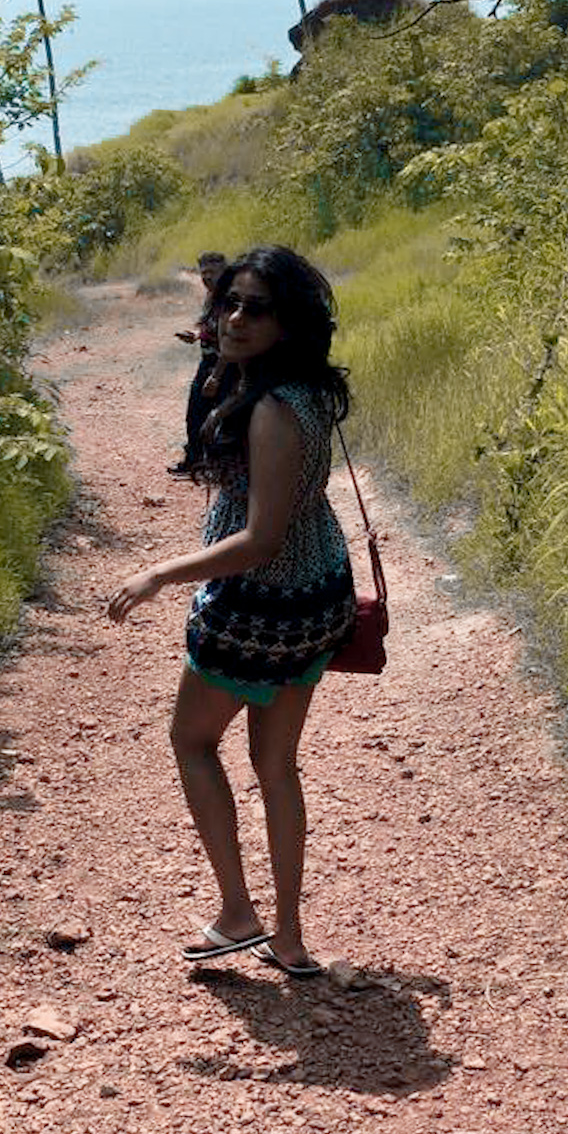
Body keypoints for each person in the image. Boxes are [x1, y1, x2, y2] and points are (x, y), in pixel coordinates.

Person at [109, 245, 357, 978]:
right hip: (317, 594)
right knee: (276, 766)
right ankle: (288, 937)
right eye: (231, 303)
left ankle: (237, 911)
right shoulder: (306, 390)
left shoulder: (274, 411)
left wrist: (159, 572)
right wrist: (217, 350)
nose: (238, 317)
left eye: (258, 307)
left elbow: (258, 539)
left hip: (260, 608)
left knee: (191, 742)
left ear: (291, 321)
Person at [169, 251, 228, 476]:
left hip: (224, 364)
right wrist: (194, 335)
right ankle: (195, 460)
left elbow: (230, 342)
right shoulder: (211, 297)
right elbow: (207, 329)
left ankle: (217, 465)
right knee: (195, 413)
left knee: (220, 416)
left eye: (213, 273)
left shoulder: (229, 300)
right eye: (204, 273)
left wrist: (217, 375)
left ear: (225, 272)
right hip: (208, 360)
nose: (208, 278)